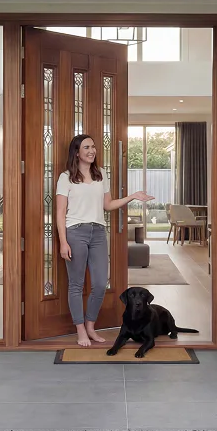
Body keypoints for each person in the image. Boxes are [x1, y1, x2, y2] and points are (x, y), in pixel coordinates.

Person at [56, 134, 154, 347]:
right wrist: (63, 241)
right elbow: (60, 212)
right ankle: (80, 329)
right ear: (77, 152)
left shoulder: (101, 174)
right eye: (87, 147)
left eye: (94, 146)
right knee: (76, 285)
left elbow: (107, 205)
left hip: (99, 233)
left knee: (100, 283)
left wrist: (132, 196)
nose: (92, 150)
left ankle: (91, 325)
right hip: (75, 232)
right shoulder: (66, 178)